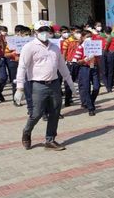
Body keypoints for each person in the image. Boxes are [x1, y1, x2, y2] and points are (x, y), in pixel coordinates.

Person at [14, 21, 76, 151]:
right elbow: (22, 67)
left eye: (46, 30)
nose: (44, 33)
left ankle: (50, 139)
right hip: (38, 85)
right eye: (41, 30)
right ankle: (27, 132)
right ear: (35, 32)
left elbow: (62, 67)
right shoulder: (29, 47)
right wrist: (19, 88)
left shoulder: (54, 47)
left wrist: (70, 83)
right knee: (36, 113)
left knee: (55, 112)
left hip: (54, 84)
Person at [73, 29, 101, 116]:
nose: (89, 38)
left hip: (94, 67)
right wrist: (85, 59)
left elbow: (98, 58)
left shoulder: (95, 45)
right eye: (87, 37)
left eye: (90, 37)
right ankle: (90, 108)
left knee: (96, 87)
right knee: (86, 88)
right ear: (83, 38)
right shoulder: (81, 47)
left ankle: (91, 102)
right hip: (84, 68)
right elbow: (76, 61)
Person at [61, 26, 81, 106]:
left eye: (79, 32)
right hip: (70, 63)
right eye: (76, 32)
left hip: (79, 63)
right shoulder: (67, 41)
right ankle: (67, 99)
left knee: (81, 81)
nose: (78, 34)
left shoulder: (81, 41)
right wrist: (63, 62)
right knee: (68, 82)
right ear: (72, 32)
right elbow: (64, 53)